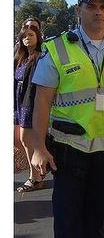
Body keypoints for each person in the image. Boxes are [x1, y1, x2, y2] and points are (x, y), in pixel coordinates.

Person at [31, 0, 104, 238]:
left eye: (103, 7)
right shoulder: (58, 48)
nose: (98, 12)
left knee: (96, 223)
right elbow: (41, 100)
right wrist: (39, 148)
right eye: (91, 7)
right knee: (68, 223)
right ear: (79, 11)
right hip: (69, 150)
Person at [14, 24, 43, 192]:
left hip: (28, 102)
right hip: (17, 102)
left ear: (37, 37)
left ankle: (35, 176)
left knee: (26, 140)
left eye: (31, 35)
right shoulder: (20, 58)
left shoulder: (40, 57)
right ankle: (39, 169)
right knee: (19, 139)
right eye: (24, 36)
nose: (27, 38)